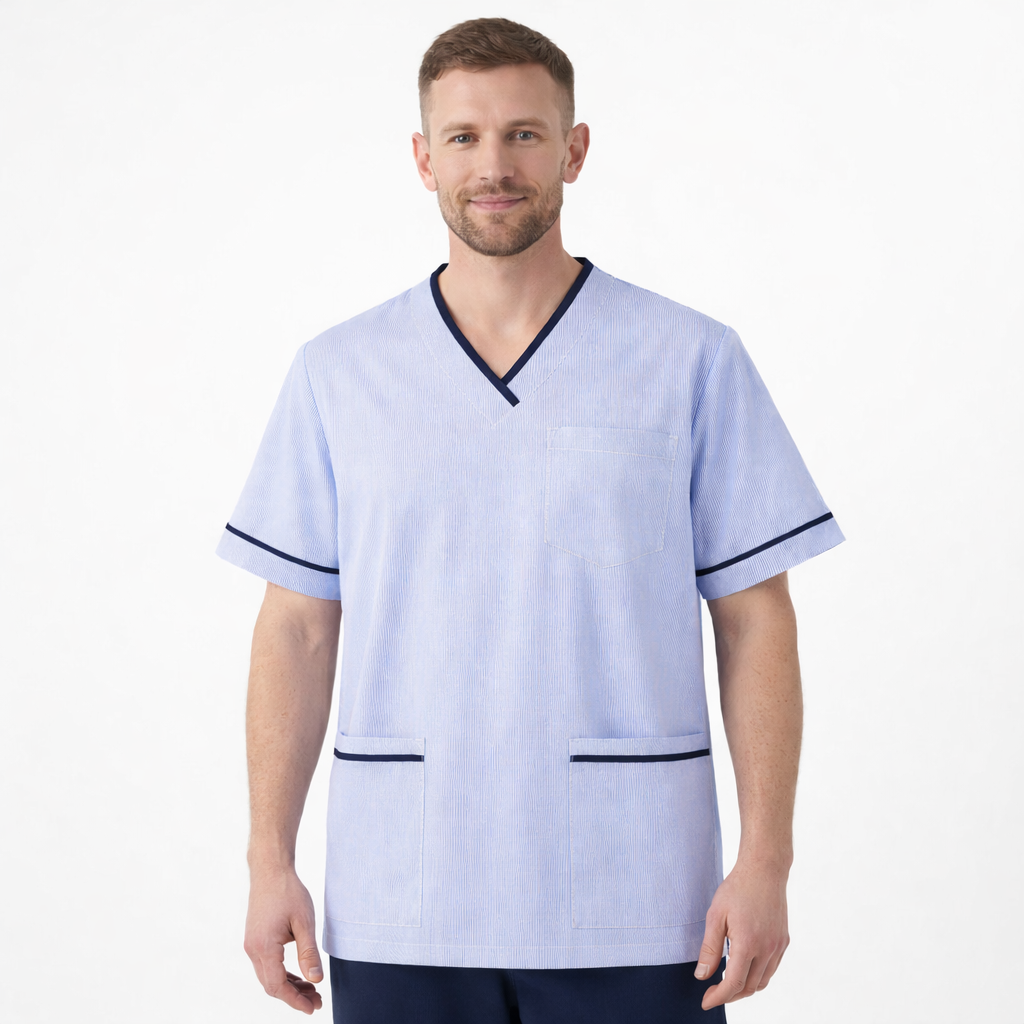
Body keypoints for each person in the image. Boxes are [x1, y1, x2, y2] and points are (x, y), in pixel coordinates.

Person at [216, 17, 844, 1023]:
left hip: (639, 898)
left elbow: (755, 618)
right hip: (400, 896)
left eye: (522, 133)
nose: (493, 163)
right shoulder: (339, 374)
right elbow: (296, 625)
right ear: (423, 160)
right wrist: (266, 859)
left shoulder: (687, 359)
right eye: (462, 138)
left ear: (574, 149)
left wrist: (765, 858)